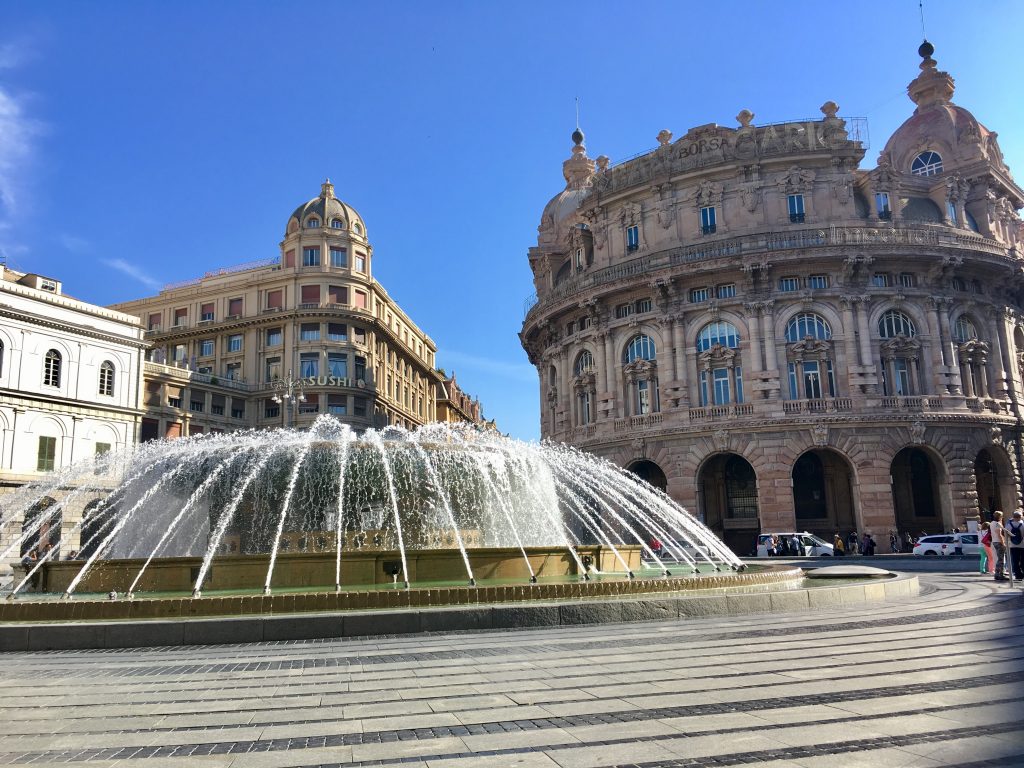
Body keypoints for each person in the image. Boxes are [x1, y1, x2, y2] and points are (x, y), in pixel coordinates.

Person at [1006, 510, 1024, 581]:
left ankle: (1018, 575)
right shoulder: (1022, 524)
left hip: (1013, 545)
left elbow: (1006, 535)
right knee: (1023, 560)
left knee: (1015, 560)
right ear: (1020, 517)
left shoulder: (1009, 525)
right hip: (1022, 545)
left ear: (1013, 517)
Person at [990, 511, 1007, 581]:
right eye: (1002, 516)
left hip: (994, 541)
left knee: (999, 559)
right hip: (999, 542)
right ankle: (1001, 574)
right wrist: (1003, 543)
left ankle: (997, 574)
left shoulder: (992, 523)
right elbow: (999, 534)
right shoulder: (997, 524)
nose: (1002, 518)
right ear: (999, 517)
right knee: (1001, 559)